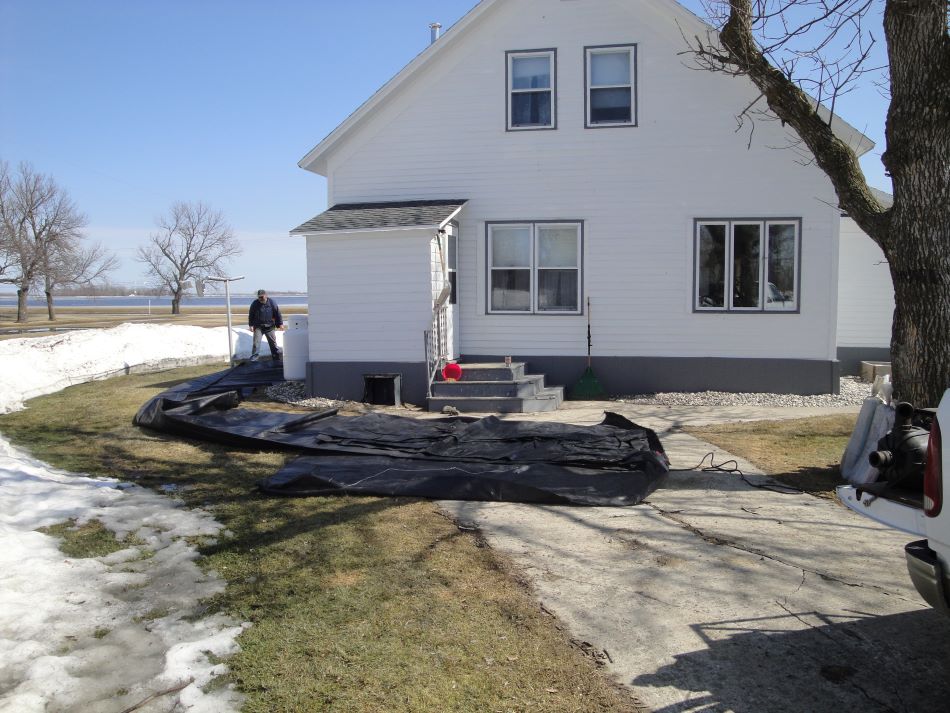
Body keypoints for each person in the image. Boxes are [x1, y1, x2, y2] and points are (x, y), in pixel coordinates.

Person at [248, 289, 284, 362]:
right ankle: (254, 361)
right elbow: (251, 314)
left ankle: (276, 359)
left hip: (270, 327)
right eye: (259, 297)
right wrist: (251, 325)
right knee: (256, 344)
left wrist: (280, 324)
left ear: (266, 295)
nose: (261, 299)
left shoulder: (272, 302)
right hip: (258, 327)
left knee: (273, 344)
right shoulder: (254, 303)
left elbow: (277, 313)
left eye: (262, 297)